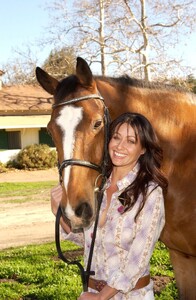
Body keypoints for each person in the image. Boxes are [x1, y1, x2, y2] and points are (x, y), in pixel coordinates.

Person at [51, 112, 168, 300]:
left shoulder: (150, 193)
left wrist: (101, 297)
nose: (120, 146)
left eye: (131, 141)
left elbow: (138, 259)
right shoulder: (97, 187)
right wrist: (58, 210)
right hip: (93, 293)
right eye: (116, 137)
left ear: (143, 149)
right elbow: (87, 241)